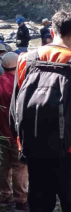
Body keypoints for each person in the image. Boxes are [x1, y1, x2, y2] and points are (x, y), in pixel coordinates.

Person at [10, 11, 71, 212]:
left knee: (40, 203)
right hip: (70, 151)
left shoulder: (25, 60)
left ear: (52, 31)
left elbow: (15, 110)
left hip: (34, 148)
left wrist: (23, 143)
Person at [0, 52, 28, 211]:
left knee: (4, 165)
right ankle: (21, 200)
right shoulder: (19, 85)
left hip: (1, 133)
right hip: (15, 134)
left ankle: (5, 195)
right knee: (20, 167)